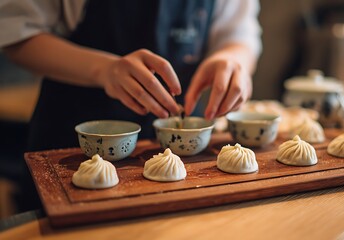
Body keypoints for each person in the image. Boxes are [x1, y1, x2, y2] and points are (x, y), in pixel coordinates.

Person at [0, 0, 261, 212]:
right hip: (73, 145)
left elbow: (239, 32)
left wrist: (233, 59)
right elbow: (15, 33)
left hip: (185, 149)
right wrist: (104, 70)